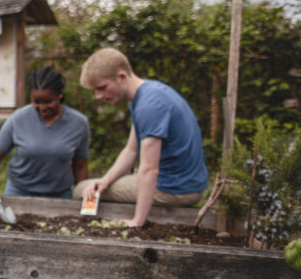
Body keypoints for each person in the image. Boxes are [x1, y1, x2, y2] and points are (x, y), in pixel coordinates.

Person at [73, 48, 208, 227]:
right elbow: (131, 150)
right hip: (186, 184)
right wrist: (104, 181)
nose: (98, 96)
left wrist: (137, 221)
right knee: (95, 186)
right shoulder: (146, 95)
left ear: (121, 77)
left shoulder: (149, 106)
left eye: (102, 88)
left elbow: (149, 169)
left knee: (81, 189)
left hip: (176, 189)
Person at [0, 67, 90, 198]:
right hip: (19, 192)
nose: (42, 108)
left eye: (48, 101)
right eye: (36, 102)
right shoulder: (18, 119)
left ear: (60, 94)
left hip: (60, 195)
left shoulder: (78, 123)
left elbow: (80, 165)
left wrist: (84, 198)